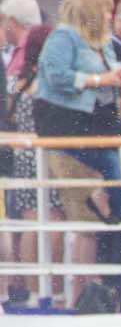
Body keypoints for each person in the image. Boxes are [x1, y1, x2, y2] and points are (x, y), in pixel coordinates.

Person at [34, 0, 121, 311]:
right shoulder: (64, 36)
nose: (111, 17)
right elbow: (55, 76)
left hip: (97, 117)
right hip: (64, 119)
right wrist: (99, 78)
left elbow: (116, 85)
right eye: (107, 11)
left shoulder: (104, 41)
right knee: (111, 163)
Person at [4, 23, 49, 309]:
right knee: (43, 223)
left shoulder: (17, 80)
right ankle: (40, 291)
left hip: (21, 156)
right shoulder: (44, 82)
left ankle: (23, 287)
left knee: (27, 222)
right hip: (38, 155)